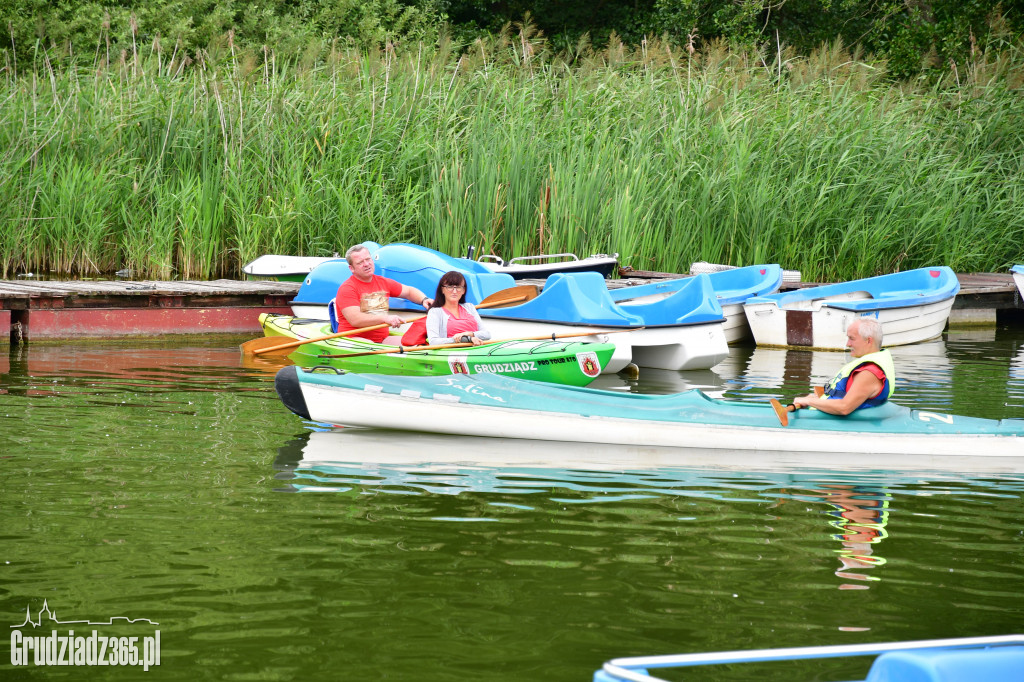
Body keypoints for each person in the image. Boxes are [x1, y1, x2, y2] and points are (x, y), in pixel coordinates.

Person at [793, 317, 895, 415]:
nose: (848, 344)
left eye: (852, 338)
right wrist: (817, 400)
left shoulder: (869, 373)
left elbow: (844, 407)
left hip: (833, 421)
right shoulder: (869, 367)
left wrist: (808, 401)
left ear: (868, 340)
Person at [334, 244, 433, 345]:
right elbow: (355, 319)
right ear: (352, 268)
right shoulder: (347, 288)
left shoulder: (383, 282)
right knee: (372, 347)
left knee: (416, 345)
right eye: (360, 262)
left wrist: (424, 299)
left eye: (368, 259)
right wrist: (385, 318)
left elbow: (408, 291)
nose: (366, 264)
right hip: (353, 339)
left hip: (382, 339)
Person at [426, 271, 493, 346]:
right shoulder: (435, 312)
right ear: (442, 290)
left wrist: (470, 334)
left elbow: (487, 334)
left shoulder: (469, 307)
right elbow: (433, 341)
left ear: (463, 290)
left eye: (458, 287)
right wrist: (467, 339)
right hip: (452, 352)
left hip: (476, 348)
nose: (454, 291)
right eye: (450, 287)